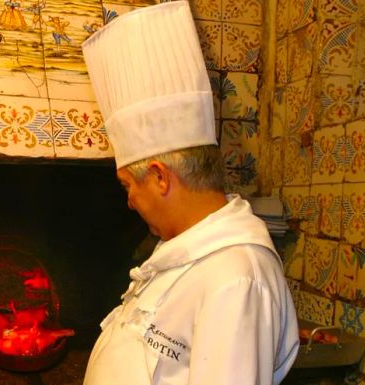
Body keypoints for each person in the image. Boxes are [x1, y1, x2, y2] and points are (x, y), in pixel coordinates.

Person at [80, 2, 299, 385]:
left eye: (128, 186)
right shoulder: (182, 254)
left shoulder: (237, 278)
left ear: (160, 177)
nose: (128, 201)